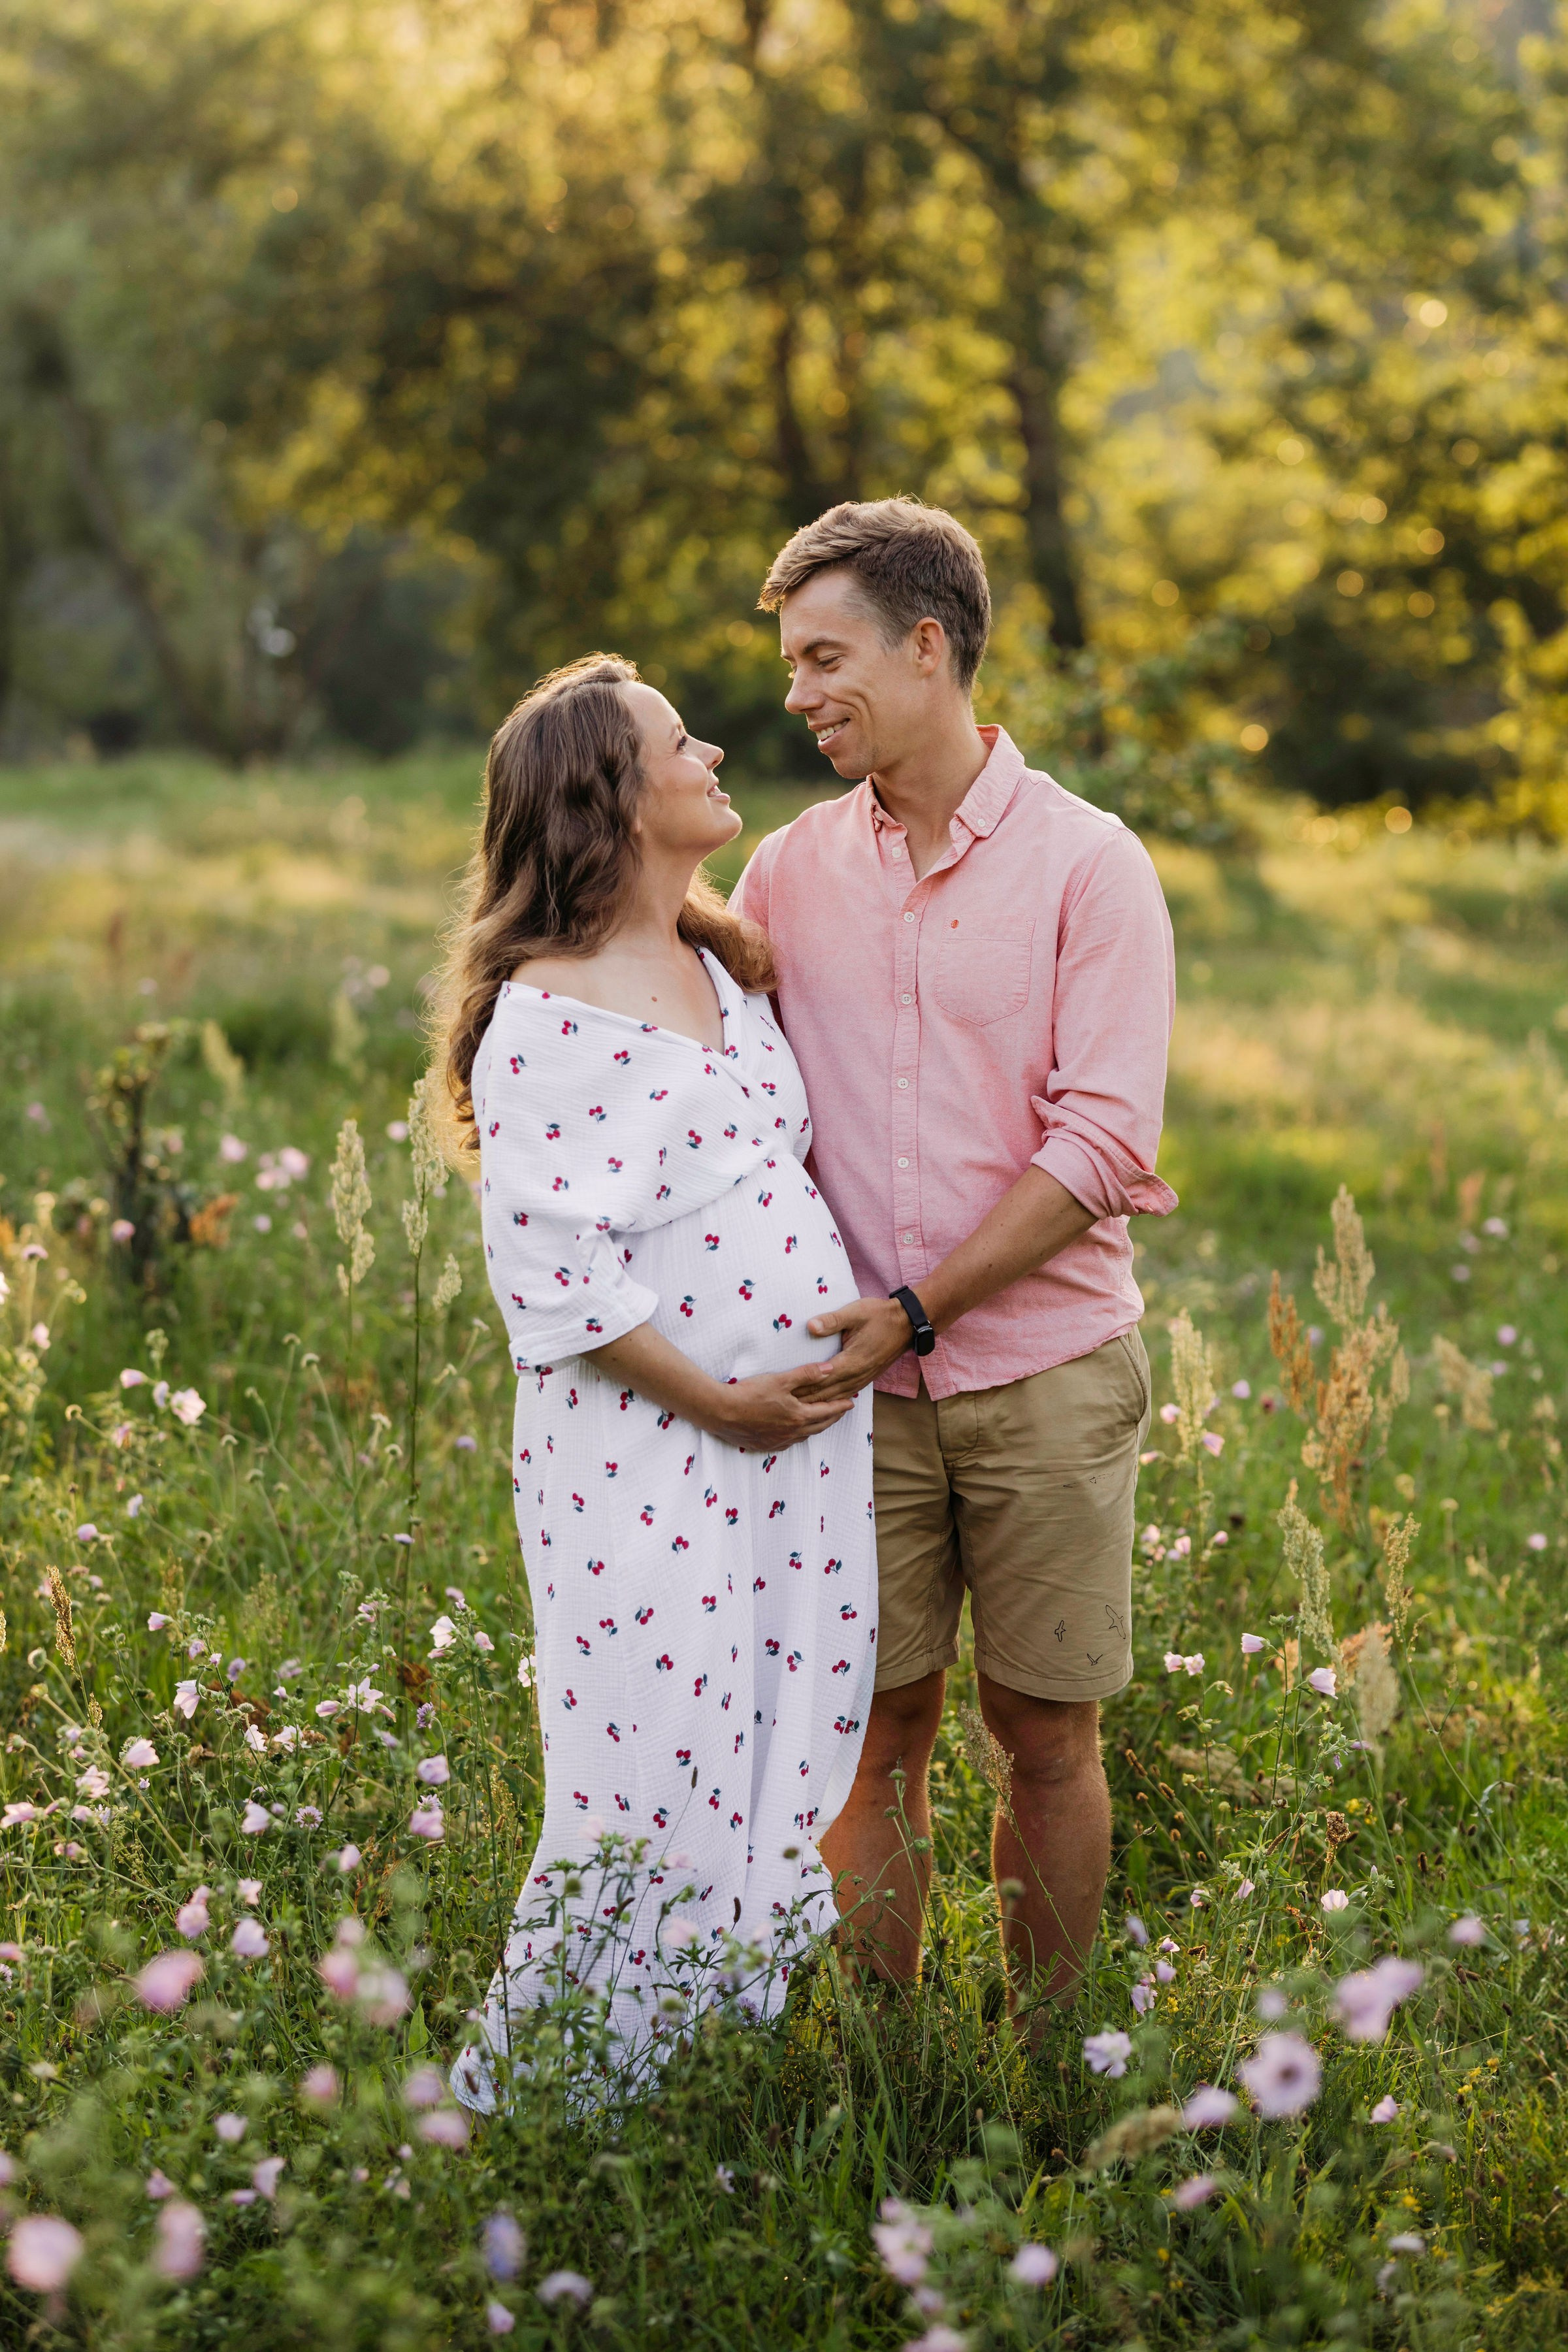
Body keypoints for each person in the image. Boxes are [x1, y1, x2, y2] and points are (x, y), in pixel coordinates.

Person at [730, 498, 1176, 2021]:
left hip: (1045, 1375)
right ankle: (884, 2065)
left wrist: (919, 1308)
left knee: (1044, 1736)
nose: (798, 694)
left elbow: (1104, 1141)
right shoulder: (789, 872)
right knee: (874, 1733)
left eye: (823, 656)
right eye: (791, 664)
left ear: (930, 649)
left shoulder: (1089, 867)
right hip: (852, 1399)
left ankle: (1048, 2060)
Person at [438, 655, 877, 2108]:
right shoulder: (549, 1010)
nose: (713, 753)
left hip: (787, 1453)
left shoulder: (719, 962)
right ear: (607, 798)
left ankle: (698, 2070)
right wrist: (723, 1402)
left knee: (768, 1759)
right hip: (653, 1450)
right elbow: (553, 1281)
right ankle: (549, 2100)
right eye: (678, 742)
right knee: (648, 1771)